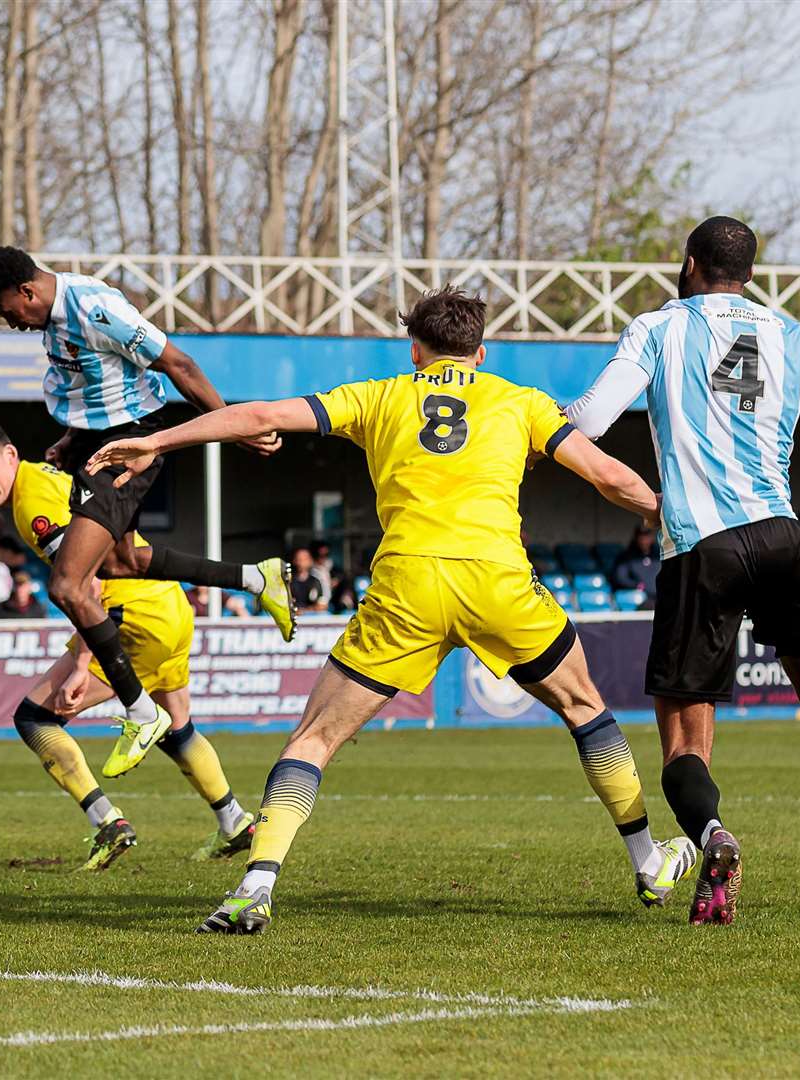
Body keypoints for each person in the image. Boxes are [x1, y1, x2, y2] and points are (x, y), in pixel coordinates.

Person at [88, 285, 696, 933]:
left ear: (415, 350)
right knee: (585, 710)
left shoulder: (375, 396)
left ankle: (254, 884)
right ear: (480, 352)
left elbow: (255, 415)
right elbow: (610, 478)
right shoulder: (521, 403)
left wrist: (157, 443)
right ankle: (646, 861)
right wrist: (679, 520)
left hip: (406, 585)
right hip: (498, 581)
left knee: (313, 739)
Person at [565, 215, 800, 920]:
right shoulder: (796, 336)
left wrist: (529, 422)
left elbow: (587, 422)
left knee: (683, 737)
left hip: (700, 547)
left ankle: (713, 835)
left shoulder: (658, 327)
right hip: (779, 537)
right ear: (750, 273)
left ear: (689, 262)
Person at [0, 246, 295, 773]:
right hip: (97, 446)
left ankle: (140, 711)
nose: (11, 323)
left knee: (68, 586)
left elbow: (178, 365)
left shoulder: (95, 307)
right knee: (123, 563)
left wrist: (234, 424)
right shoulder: (51, 322)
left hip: (131, 447)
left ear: (27, 292)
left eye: (8, 312)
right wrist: (71, 440)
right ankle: (258, 579)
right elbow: (101, 386)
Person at [0, 416, 256, 868]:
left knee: (35, 718)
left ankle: (107, 823)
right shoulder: (43, 478)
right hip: (168, 605)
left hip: (133, 615)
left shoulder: (31, 500)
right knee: (177, 728)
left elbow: (85, 584)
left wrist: (80, 665)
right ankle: (234, 822)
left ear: (10, 455)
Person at [612, 526, 662, 602]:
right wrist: (636, 585)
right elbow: (621, 577)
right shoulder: (627, 557)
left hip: (659, 596)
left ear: (651, 537)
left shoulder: (659, 555)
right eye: (641, 537)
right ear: (636, 538)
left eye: (647, 536)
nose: (644, 541)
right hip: (639, 598)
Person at [288, 547, 326, 614]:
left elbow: (322, 605)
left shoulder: (315, 582)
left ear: (310, 561)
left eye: (304, 559)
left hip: (310, 618)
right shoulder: (288, 581)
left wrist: (305, 611)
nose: (300, 562)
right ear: (294, 560)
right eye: (298, 559)